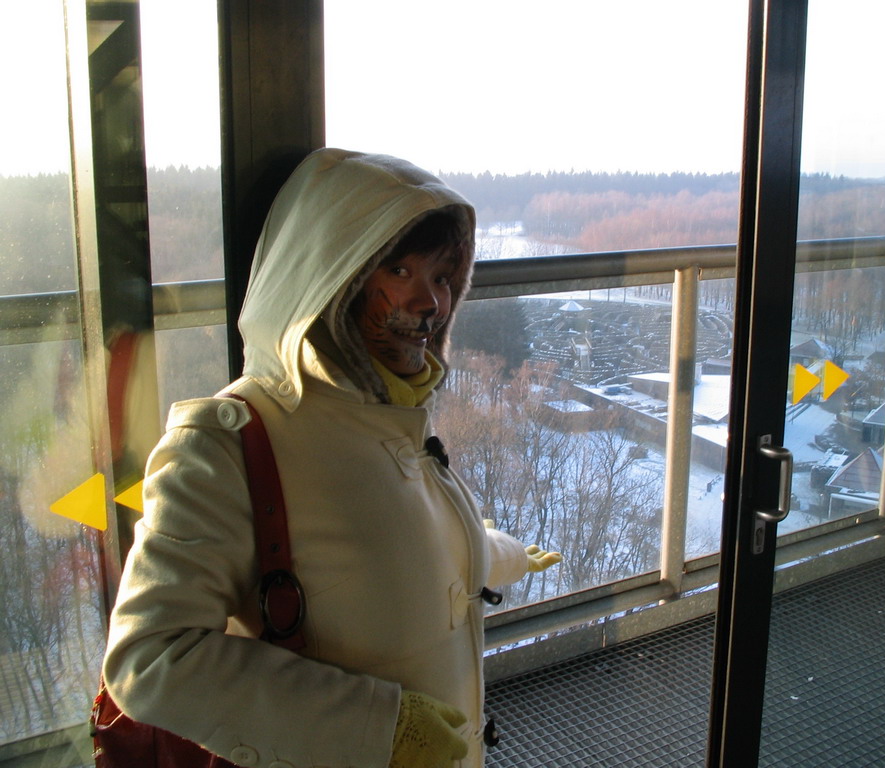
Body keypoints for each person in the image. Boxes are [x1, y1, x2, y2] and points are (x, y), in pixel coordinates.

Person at [102, 148, 561, 768]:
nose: (431, 302)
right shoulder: (230, 443)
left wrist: (502, 554)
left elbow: (398, 555)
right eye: (399, 270)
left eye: (444, 276)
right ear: (329, 277)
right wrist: (379, 730)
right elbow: (150, 658)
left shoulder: (393, 421)